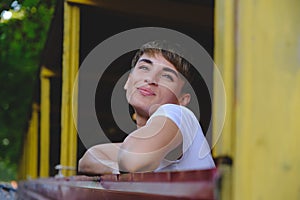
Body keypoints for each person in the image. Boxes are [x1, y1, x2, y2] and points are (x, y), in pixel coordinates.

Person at [78, 40, 215, 174]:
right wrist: (118, 168)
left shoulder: (179, 114)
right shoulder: (141, 144)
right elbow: (89, 159)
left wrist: (119, 167)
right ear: (128, 81)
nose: (151, 79)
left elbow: (133, 161)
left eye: (167, 76)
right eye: (144, 68)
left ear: (182, 100)